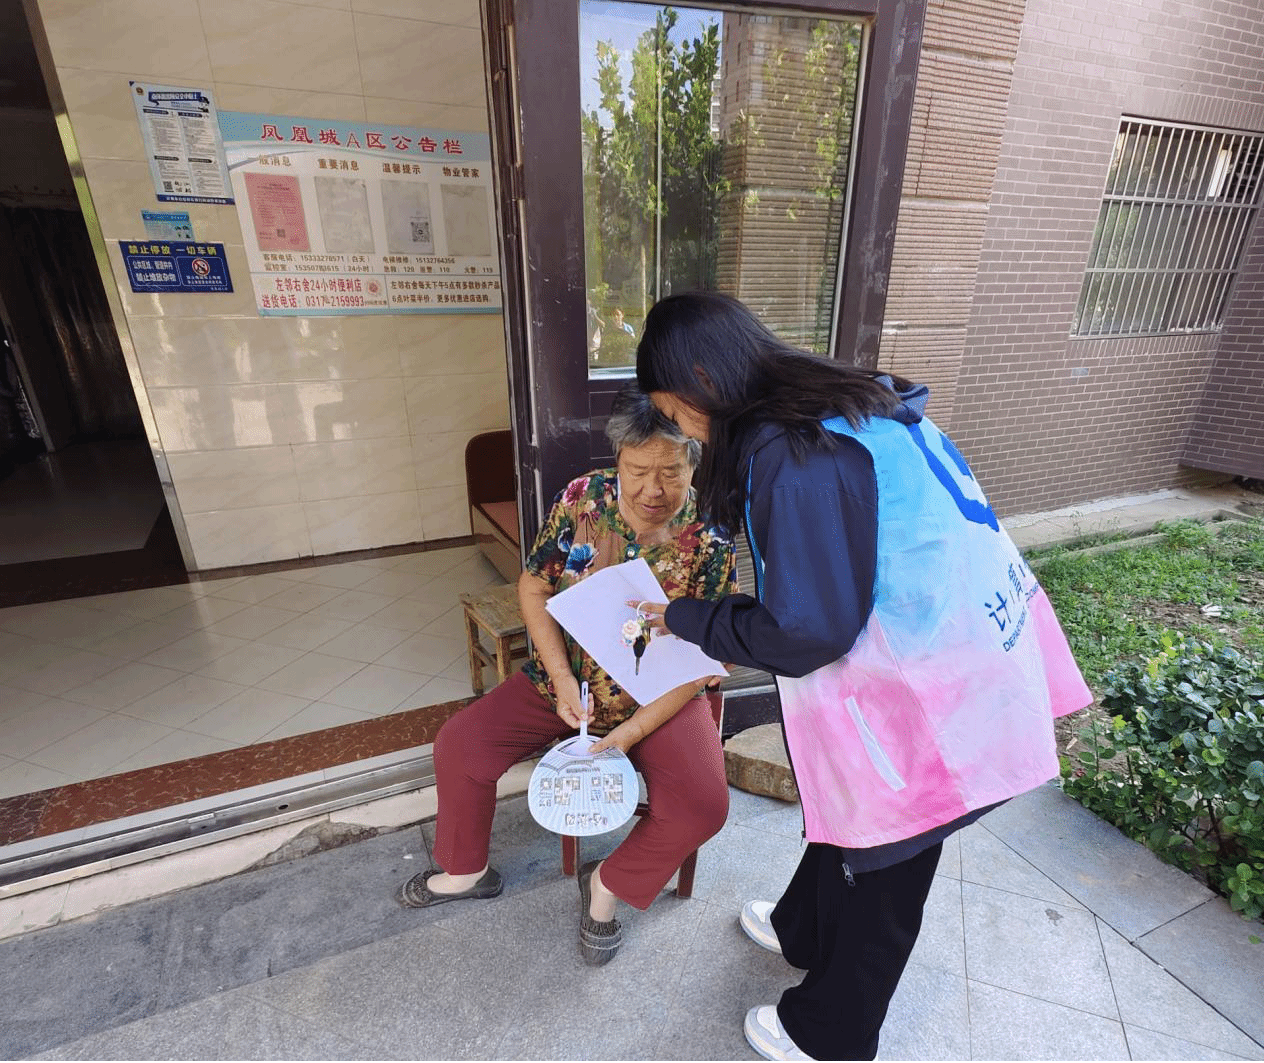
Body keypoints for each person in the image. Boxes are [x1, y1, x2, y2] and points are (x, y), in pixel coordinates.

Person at [633, 291, 1092, 1061]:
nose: (683, 429)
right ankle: (803, 928)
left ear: (705, 378)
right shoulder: (841, 404)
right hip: (957, 640)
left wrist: (693, 619)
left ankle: (833, 1032)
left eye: (676, 411)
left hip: (936, 686)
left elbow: (807, 630)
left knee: (891, 858)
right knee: (857, 809)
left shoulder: (794, 454)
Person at [397, 386, 737, 966]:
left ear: (694, 463)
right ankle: (466, 870)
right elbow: (535, 586)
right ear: (618, 460)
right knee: (462, 744)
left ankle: (606, 883)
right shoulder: (583, 500)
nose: (652, 490)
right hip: (569, 678)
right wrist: (557, 679)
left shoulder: (711, 535)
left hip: (661, 699)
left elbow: (709, 655)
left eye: (670, 472)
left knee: (704, 806)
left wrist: (628, 734)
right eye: (638, 471)